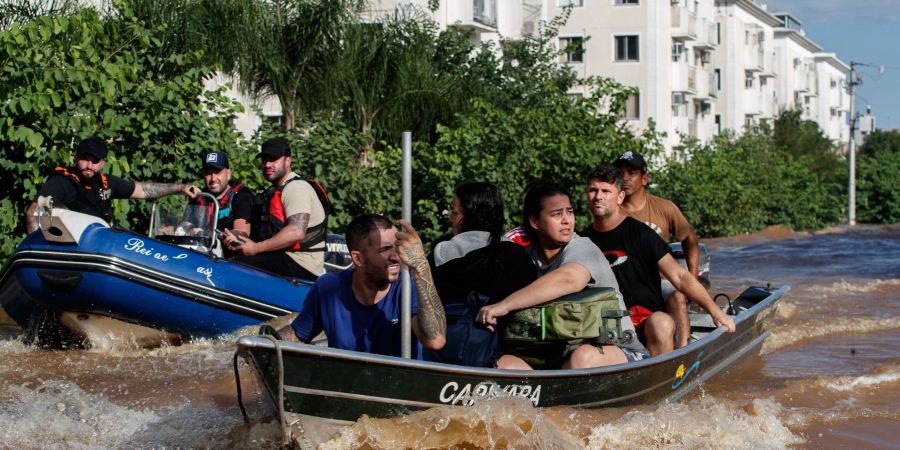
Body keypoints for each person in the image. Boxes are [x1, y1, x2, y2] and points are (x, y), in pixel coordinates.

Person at [476, 181, 646, 370]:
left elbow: (569, 279)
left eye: (570, 212)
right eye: (557, 214)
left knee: (583, 357)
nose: (567, 220)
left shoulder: (583, 247)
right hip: (554, 355)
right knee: (505, 364)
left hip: (620, 352)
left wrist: (504, 305)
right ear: (534, 222)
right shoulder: (525, 260)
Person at [581, 165, 735, 356]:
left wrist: (715, 312)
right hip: (605, 324)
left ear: (620, 197)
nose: (598, 196)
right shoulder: (582, 241)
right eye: (593, 190)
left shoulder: (641, 234)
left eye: (606, 191)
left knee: (662, 322)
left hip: (646, 321)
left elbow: (679, 275)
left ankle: (666, 374)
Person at [288, 214, 446, 358]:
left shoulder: (407, 285)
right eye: (385, 249)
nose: (396, 257)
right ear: (358, 258)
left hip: (399, 386)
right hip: (346, 387)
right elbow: (298, 336)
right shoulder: (328, 288)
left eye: (397, 247)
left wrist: (420, 265)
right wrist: (267, 340)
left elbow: (435, 341)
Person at [427, 181, 537, 366]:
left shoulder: (440, 256)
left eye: (454, 212)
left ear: (467, 215)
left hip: (442, 355)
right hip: (506, 360)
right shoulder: (518, 257)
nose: (451, 219)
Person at [614, 150, 701, 349]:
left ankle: (682, 350)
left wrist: (692, 278)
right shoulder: (611, 211)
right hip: (624, 284)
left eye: (631, 173)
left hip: (660, 281)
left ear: (645, 178)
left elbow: (690, 238)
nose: (625, 178)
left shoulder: (665, 208)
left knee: (677, 295)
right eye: (620, 173)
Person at [25, 137, 199, 233]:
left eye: (95, 161)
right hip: (70, 246)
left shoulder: (106, 182)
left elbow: (141, 190)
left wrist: (180, 188)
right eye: (85, 159)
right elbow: (33, 212)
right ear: (76, 159)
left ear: (102, 163)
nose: (89, 165)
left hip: (99, 245)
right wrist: (38, 247)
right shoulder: (63, 181)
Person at [223, 138, 327, 279]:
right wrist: (237, 239)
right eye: (264, 160)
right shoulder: (275, 191)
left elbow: (296, 232)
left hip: (302, 262)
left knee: (234, 268)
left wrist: (256, 248)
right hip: (285, 256)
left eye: (273, 159)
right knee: (233, 258)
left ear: (288, 161)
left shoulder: (296, 188)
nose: (267, 164)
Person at [190, 151, 256, 241]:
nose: (213, 179)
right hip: (199, 250)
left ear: (228, 174)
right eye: (208, 173)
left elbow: (242, 232)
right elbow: (185, 223)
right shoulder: (200, 196)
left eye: (217, 172)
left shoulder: (241, 195)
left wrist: (229, 235)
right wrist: (188, 229)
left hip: (229, 253)